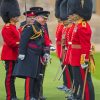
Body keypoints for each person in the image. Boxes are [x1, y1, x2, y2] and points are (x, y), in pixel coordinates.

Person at [13, 10, 50, 100]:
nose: (45, 20)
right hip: (30, 55)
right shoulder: (30, 27)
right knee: (30, 77)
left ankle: (35, 96)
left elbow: (42, 43)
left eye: (46, 19)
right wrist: (21, 53)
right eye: (43, 18)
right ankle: (28, 97)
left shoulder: (41, 28)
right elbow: (23, 41)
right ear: (37, 18)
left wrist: (45, 53)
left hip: (38, 56)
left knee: (37, 77)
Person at [66, 0, 95, 99]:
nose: (71, 15)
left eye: (73, 13)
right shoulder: (77, 25)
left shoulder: (83, 26)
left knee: (85, 82)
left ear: (79, 14)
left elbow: (85, 45)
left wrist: (84, 60)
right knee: (79, 81)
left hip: (80, 58)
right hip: (75, 57)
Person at [0, 0, 20, 100]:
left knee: (13, 77)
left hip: (14, 54)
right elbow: (11, 43)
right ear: (11, 16)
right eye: (16, 15)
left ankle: (14, 96)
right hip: (9, 55)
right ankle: (10, 96)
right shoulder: (7, 28)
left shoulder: (14, 27)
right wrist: (22, 43)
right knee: (9, 77)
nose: (17, 17)